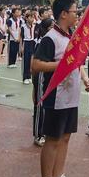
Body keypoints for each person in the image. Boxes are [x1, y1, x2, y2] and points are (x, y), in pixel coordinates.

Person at [32, 0, 89, 177]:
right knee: (53, 139)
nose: (78, 15)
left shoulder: (72, 36)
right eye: (75, 11)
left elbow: (77, 62)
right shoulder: (51, 38)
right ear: (64, 14)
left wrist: (84, 77)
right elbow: (36, 65)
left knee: (65, 138)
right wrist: (61, 65)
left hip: (71, 96)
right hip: (55, 98)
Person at [32, 17, 54, 147]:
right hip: (41, 76)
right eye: (51, 26)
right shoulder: (41, 42)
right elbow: (35, 63)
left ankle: (45, 131)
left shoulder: (52, 40)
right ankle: (38, 134)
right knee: (40, 105)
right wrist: (35, 86)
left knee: (47, 105)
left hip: (49, 76)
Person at [19, 10, 36, 84]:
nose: (32, 19)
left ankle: (29, 76)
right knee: (26, 60)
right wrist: (21, 47)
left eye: (33, 17)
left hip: (32, 43)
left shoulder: (34, 26)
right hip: (26, 43)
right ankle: (25, 77)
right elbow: (21, 37)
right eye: (30, 17)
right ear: (26, 18)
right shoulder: (23, 27)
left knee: (31, 60)